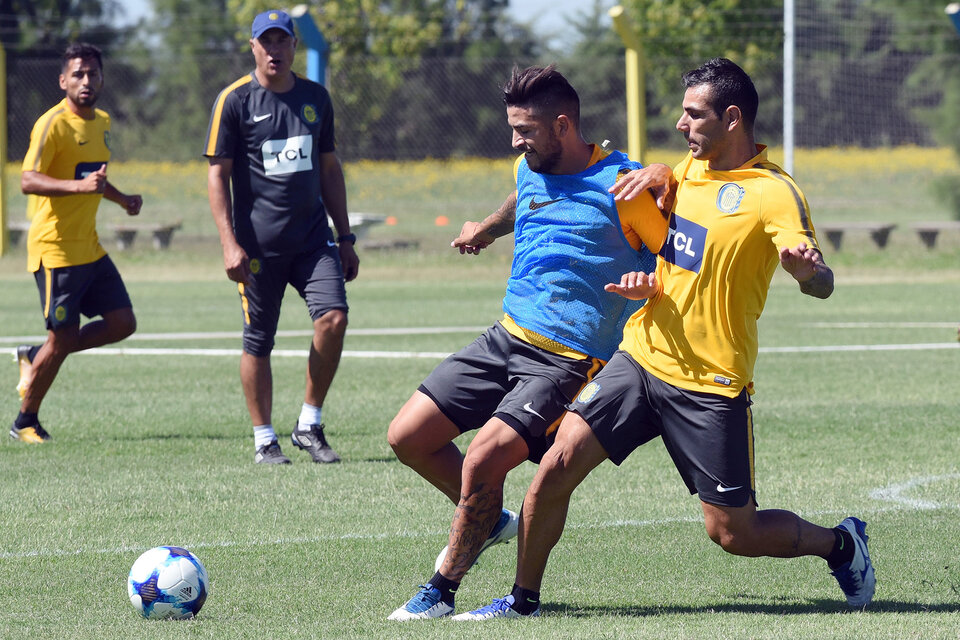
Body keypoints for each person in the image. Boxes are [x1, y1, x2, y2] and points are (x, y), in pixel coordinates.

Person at [455, 57, 875, 621]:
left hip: (710, 382)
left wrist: (807, 274)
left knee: (733, 532)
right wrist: (650, 266)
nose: (681, 125)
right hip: (641, 356)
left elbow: (821, 280)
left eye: (693, 115)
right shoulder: (689, 168)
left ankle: (840, 544)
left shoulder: (774, 192)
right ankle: (522, 602)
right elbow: (680, 243)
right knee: (554, 469)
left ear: (732, 118)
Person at [386, 65, 669, 621]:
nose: (515, 140)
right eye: (513, 127)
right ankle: (488, 521)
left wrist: (652, 278)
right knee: (407, 437)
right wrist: (486, 230)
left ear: (563, 125)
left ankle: (441, 590)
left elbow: (678, 254)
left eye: (526, 129)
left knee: (484, 458)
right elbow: (522, 200)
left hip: (571, 359)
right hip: (506, 337)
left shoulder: (626, 185)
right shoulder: (529, 167)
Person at [204, 10, 359, 465]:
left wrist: (345, 235)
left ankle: (309, 424)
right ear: (253, 47)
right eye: (265, 42)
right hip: (256, 249)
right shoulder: (234, 101)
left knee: (334, 319)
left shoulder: (316, 98)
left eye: (282, 41)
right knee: (259, 341)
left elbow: (329, 168)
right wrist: (229, 243)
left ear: (295, 47)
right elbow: (217, 177)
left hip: (313, 242)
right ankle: (264, 438)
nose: (274, 50)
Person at [11, 43, 142, 444]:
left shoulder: (101, 121)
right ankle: (25, 422)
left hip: (90, 247)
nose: (86, 81)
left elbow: (92, 178)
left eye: (93, 73)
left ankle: (37, 355)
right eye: (78, 74)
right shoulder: (52, 124)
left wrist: (121, 199)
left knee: (123, 323)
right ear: (64, 80)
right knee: (63, 338)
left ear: (102, 78)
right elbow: (27, 180)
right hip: (56, 251)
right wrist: (78, 186)